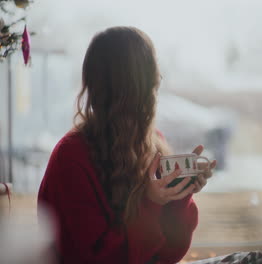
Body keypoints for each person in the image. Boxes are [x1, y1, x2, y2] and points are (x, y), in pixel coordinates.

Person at [37, 26, 216, 264]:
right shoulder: (71, 157)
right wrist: (152, 203)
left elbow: (169, 255)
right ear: (134, 89)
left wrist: (179, 194)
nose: (159, 81)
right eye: (153, 77)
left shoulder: (152, 143)